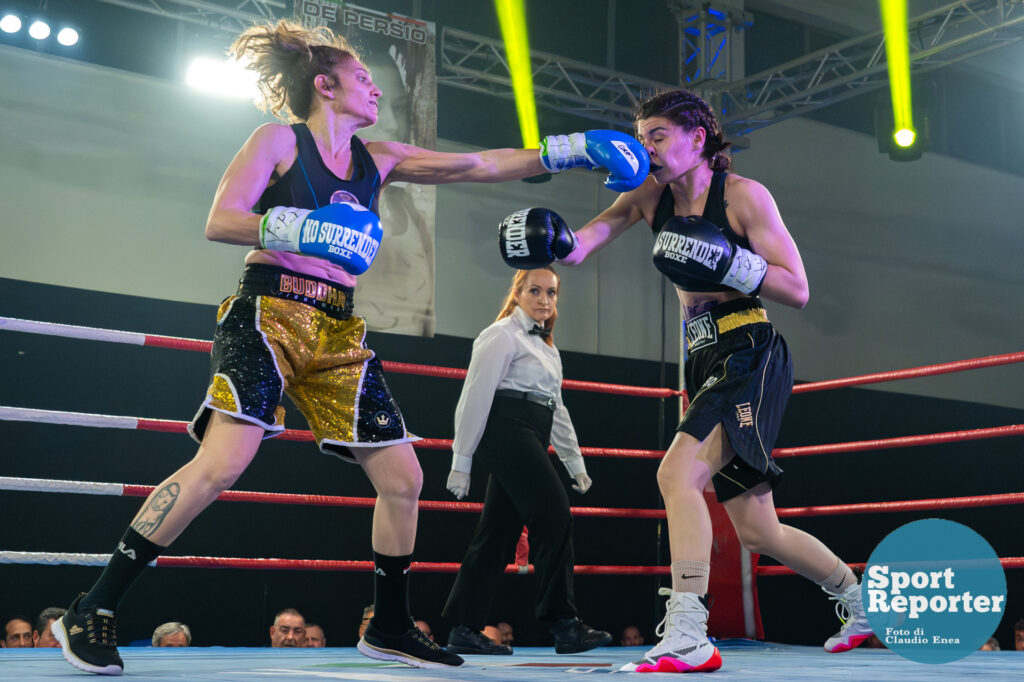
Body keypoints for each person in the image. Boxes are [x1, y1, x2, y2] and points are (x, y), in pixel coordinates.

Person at [50, 18, 646, 677]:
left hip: (336, 325)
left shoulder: (380, 158)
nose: (374, 89)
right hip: (268, 310)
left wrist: (571, 148)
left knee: (404, 478)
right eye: (363, 78)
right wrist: (304, 227)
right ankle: (93, 605)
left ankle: (389, 623)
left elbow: (477, 165)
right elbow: (222, 219)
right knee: (222, 465)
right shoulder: (277, 139)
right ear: (326, 85)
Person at [498, 89, 872, 673]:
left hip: (749, 349)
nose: (645, 147)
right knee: (758, 530)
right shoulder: (649, 195)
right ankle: (859, 599)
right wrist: (546, 239)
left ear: (698, 139)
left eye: (657, 136)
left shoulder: (745, 197)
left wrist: (730, 262)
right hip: (703, 358)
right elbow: (582, 247)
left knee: (676, 473)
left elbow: (798, 289)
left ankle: (689, 630)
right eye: (641, 135)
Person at [441, 267, 612, 657]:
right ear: (517, 292)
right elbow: (475, 396)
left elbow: (558, 409)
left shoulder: (549, 349)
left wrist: (576, 463)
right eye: (535, 290)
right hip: (504, 429)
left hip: (532, 430)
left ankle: (464, 627)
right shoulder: (500, 335)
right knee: (554, 514)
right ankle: (564, 624)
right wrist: (461, 459)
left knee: (497, 535)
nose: (544, 300)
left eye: (551, 293)